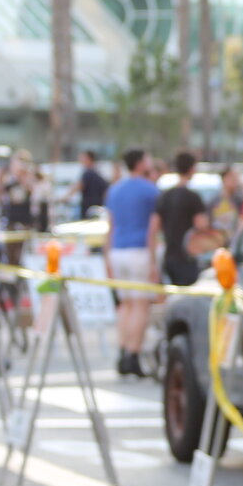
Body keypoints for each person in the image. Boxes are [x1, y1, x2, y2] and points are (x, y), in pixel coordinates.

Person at [103, 148, 162, 376]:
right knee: (140, 305)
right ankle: (133, 355)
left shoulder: (115, 190)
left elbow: (111, 225)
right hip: (139, 250)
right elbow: (154, 229)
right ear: (140, 163)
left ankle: (123, 350)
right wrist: (154, 260)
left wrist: (108, 255)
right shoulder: (150, 190)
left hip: (118, 250)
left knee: (126, 305)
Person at [152, 151, 212, 288]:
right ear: (192, 169)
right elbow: (202, 225)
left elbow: (154, 227)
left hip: (169, 257)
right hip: (187, 258)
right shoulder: (193, 197)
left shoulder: (165, 196)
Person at [76, 149, 109, 221]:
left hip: (89, 207)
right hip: (99, 206)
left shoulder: (88, 173)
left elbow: (79, 185)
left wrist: (64, 198)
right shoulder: (98, 172)